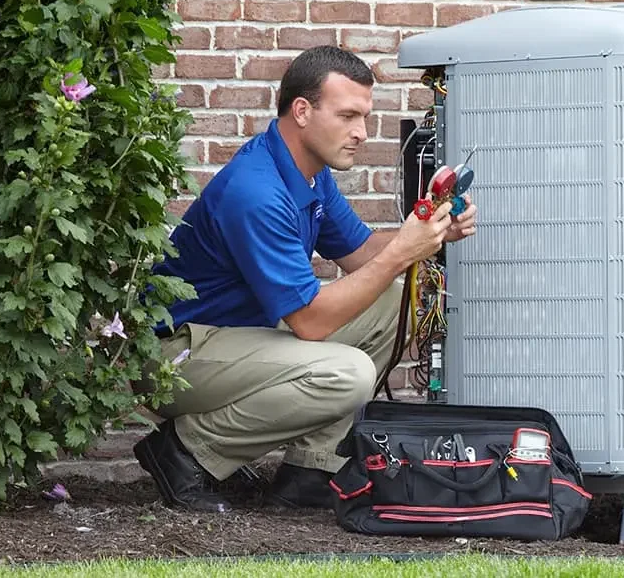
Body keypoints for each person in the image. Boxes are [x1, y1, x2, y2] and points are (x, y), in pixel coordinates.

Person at [131, 45, 477, 513]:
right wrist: (401, 251)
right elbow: (311, 323)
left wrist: (432, 234)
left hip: (234, 338)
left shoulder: (308, 174)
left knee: (397, 302)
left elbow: (361, 257)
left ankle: (310, 472)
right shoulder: (257, 191)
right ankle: (186, 452)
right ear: (302, 111)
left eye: (365, 118)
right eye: (348, 116)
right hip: (175, 356)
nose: (361, 133)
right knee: (346, 374)